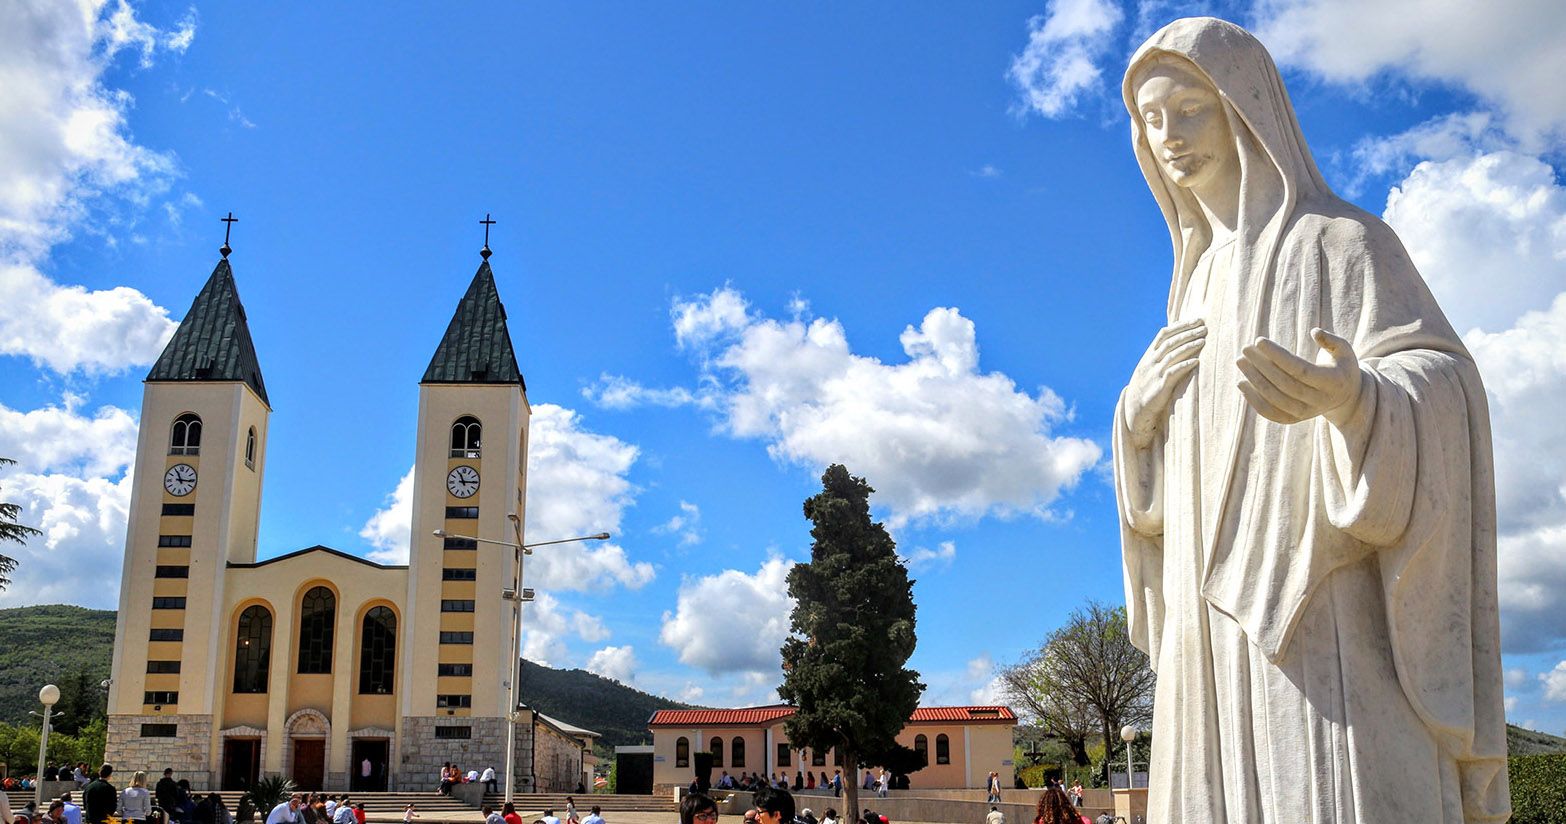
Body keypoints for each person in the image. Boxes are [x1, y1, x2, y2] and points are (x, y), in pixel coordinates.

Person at [1115, 17, 1509, 823]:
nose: (1169, 137)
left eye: (1190, 108)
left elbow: (1443, 379)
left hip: (1317, 598)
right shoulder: (1190, 285)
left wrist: (1357, 402)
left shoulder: (1342, 243)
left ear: (1243, 105)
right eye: (1152, 120)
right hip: (1203, 613)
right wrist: (1135, 423)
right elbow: (1159, 494)